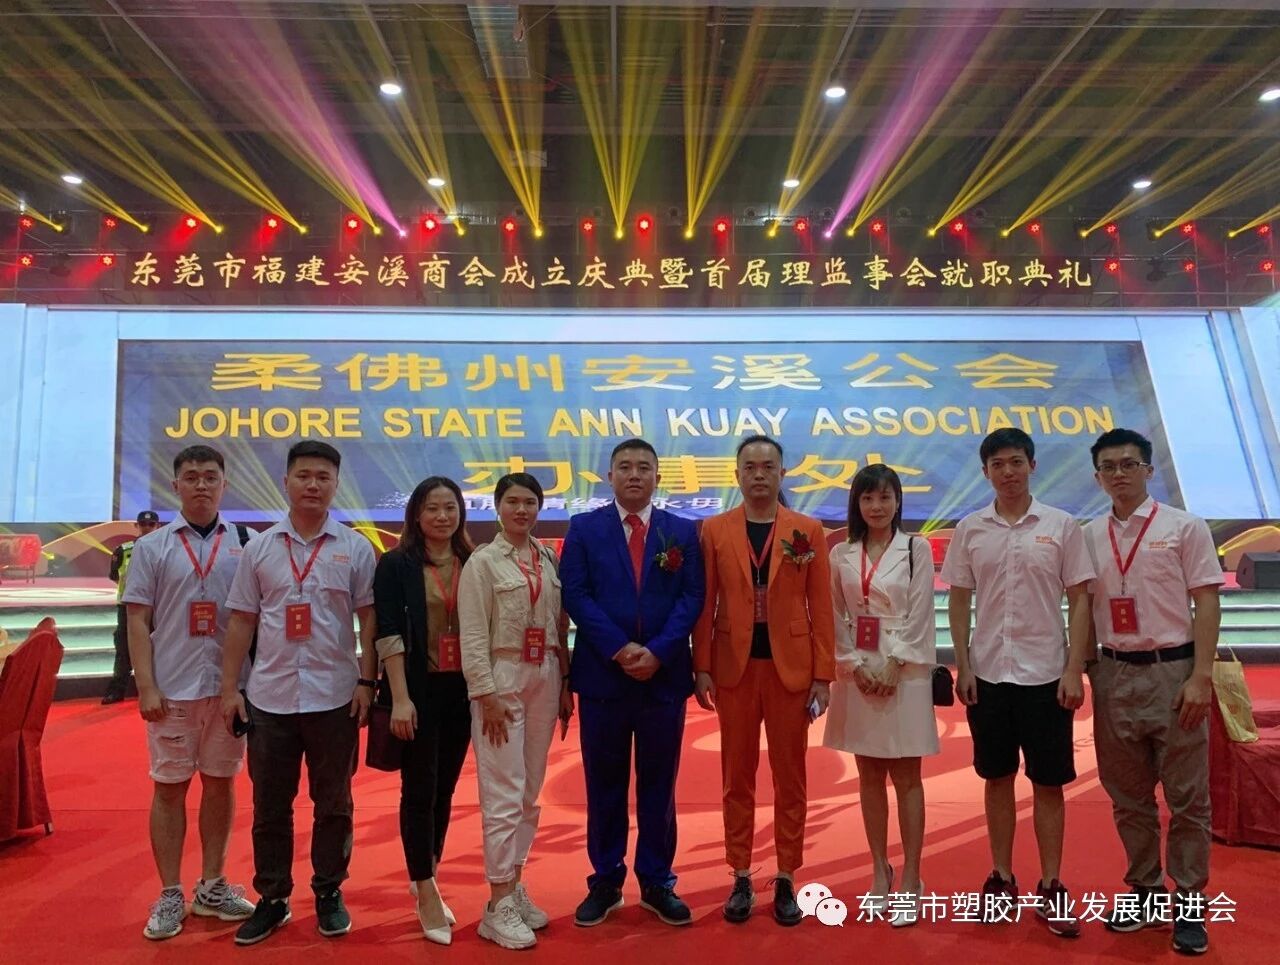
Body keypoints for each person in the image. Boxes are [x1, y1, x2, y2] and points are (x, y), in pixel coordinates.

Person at [219, 441, 377, 946]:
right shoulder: (260, 548)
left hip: (335, 697)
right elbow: (242, 621)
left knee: (334, 803)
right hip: (271, 698)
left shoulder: (354, 547)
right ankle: (273, 898)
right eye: (304, 475)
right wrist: (230, 688)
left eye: (323, 477)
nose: (313, 485)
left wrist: (366, 681)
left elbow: (369, 619)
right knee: (270, 806)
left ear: (336, 484)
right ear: (285, 481)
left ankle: (329, 890)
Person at [940, 427, 1095, 938]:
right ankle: (1001, 876)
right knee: (997, 776)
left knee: (1049, 782)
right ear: (985, 471)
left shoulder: (1061, 525)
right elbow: (959, 599)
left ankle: (1051, 884)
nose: (1007, 472)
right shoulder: (971, 528)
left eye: (1015, 462)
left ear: (1032, 465)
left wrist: (1073, 668)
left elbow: (1081, 599)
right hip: (988, 673)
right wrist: (963, 664)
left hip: (1046, 674)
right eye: (997, 465)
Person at [1082, 428, 1222, 955]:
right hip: (1114, 673)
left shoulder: (1184, 527)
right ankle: (1144, 892)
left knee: (1188, 797)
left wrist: (1201, 676)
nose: (1119, 473)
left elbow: (1206, 601)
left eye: (1128, 464)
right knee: (1128, 796)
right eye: (1108, 467)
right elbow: (1080, 606)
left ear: (1148, 469)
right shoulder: (1088, 535)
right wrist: (1086, 669)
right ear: (1097, 477)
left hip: (1174, 672)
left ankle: (1189, 902)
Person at [560, 439, 705, 928]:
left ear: (658, 478)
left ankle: (657, 880)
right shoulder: (584, 529)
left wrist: (658, 651)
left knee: (659, 785)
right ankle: (605, 879)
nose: (635, 475)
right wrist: (620, 649)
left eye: (644, 467)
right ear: (610, 476)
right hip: (604, 677)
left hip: (663, 679)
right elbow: (576, 595)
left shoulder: (681, 532)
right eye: (625, 467)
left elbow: (692, 597)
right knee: (604, 784)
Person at [692, 435, 835, 926]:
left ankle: (788, 875)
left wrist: (823, 675)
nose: (758, 474)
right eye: (749, 466)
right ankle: (740, 874)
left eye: (768, 466)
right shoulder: (714, 530)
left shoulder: (807, 531)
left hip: (790, 670)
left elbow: (821, 607)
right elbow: (704, 603)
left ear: (782, 473)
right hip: (733, 669)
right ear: (736, 475)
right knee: (736, 776)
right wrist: (702, 665)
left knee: (790, 777)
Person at [122, 446, 254, 939]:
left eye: (210, 477)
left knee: (221, 783)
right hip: (172, 689)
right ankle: (170, 891)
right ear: (175, 485)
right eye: (192, 477)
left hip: (228, 691)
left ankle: (213, 885)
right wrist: (146, 685)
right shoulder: (152, 547)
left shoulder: (246, 542)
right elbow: (138, 619)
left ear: (224, 484)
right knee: (169, 788)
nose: (202, 485)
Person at [458, 472, 573, 950]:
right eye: (512, 502)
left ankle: (515, 884)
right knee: (503, 793)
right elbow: (472, 634)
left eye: (529, 502)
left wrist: (564, 683)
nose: (521, 510)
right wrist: (484, 694)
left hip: (545, 674)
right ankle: (496, 903)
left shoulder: (547, 559)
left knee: (529, 791)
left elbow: (558, 625)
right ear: (497, 507)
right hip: (502, 679)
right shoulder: (482, 563)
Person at [824, 464, 938, 927]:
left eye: (885, 497)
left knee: (907, 776)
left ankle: (912, 876)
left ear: (897, 501)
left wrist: (894, 664)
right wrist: (854, 664)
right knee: (868, 774)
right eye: (868, 498)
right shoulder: (840, 553)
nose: (876, 506)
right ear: (857, 503)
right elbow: (833, 613)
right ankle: (879, 870)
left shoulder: (916, 548)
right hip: (858, 669)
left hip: (904, 671)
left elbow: (923, 609)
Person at [372, 476, 475, 945]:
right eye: (432, 508)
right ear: (416, 513)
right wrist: (400, 697)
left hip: (463, 691)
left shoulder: (472, 561)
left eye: (449, 507)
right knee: (419, 789)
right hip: (417, 690)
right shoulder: (396, 564)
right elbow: (389, 631)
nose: (441, 516)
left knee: (445, 788)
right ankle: (426, 889)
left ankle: (428, 870)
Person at [104, 509, 160, 703]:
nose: (147, 528)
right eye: (143, 524)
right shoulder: (123, 550)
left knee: (159, 647)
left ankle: (158, 688)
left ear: (158, 526)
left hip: (158, 607)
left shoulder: (168, 549)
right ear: (137, 526)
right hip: (128, 607)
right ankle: (117, 690)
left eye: (151, 525)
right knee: (123, 648)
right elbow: (115, 577)